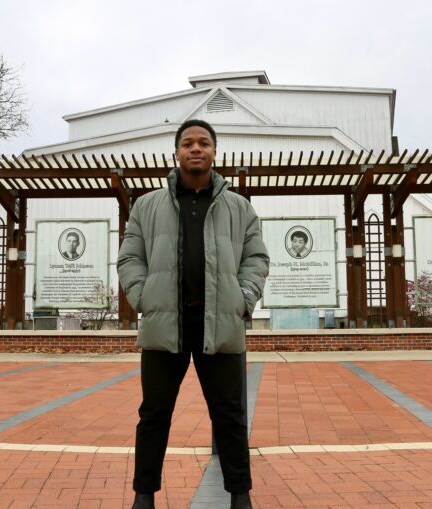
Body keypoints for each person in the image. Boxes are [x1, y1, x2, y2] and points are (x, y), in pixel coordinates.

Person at [118, 119, 269, 509]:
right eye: (188, 143)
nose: (196, 149)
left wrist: (243, 298)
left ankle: (240, 495)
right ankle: (144, 496)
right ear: (177, 152)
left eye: (204, 142)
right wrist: (144, 297)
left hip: (219, 326)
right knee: (153, 415)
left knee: (230, 416)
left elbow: (256, 259)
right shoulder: (147, 206)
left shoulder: (240, 208)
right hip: (165, 325)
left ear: (215, 152)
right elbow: (130, 257)